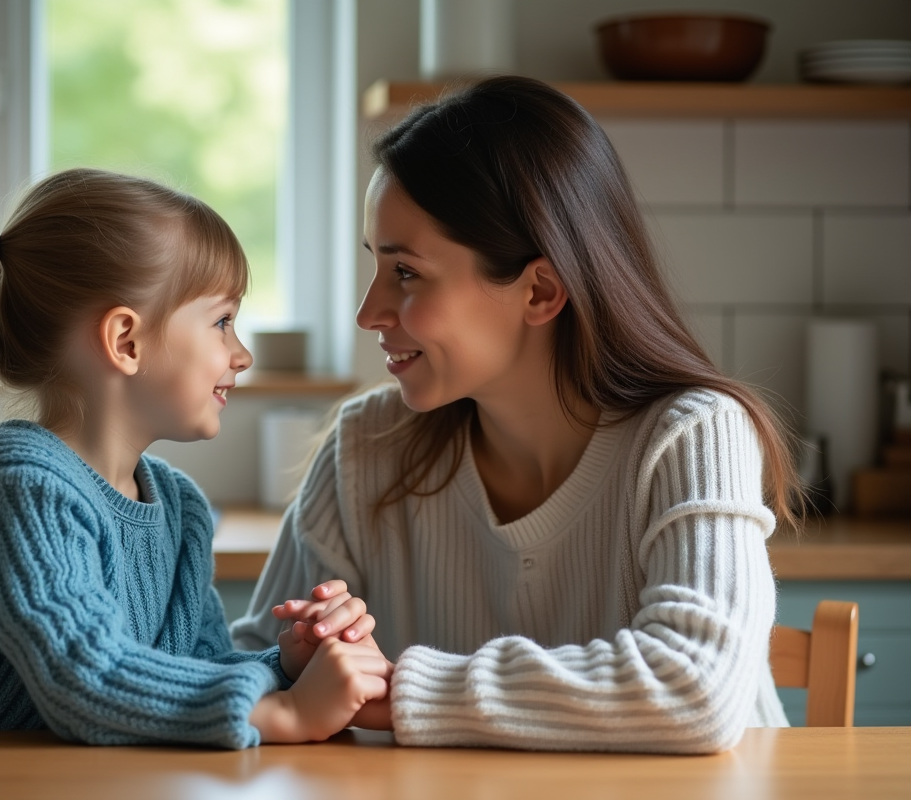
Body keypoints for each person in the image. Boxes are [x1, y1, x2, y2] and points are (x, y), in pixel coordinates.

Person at [233, 76, 798, 753]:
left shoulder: (692, 435)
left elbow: (694, 689)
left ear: (540, 291)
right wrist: (294, 664)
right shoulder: (366, 445)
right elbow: (244, 668)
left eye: (406, 273)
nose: (367, 313)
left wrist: (400, 692)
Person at [0, 168, 391, 748]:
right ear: (126, 341)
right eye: (222, 321)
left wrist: (287, 665)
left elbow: (195, 671)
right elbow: (89, 679)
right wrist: (289, 715)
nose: (241, 354)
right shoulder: (20, 489)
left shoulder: (179, 508)